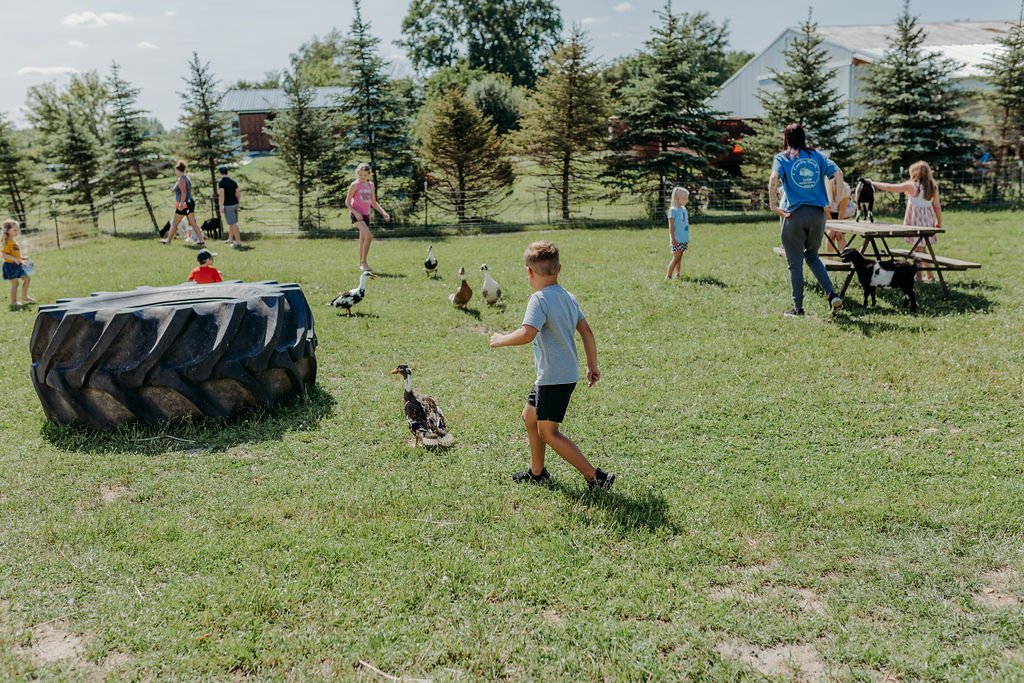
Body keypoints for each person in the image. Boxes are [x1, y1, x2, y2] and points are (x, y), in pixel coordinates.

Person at [489, 241, 615, 491]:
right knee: (530, 416)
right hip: (559, 374)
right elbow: (587, 332)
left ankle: (596, 477)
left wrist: (502, 339)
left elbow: (527, 334)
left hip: (554, 378)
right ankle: (537, 473)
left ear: (529, 272)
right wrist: (592, 365)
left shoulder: (539, 299)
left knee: (548, 432)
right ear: (559, 269)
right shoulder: (568, 297)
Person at [768, 123, 844, 317]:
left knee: (795, 263)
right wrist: (835, 202)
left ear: (786, 138)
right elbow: (838, 173)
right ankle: (832, 295)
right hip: (818, 216)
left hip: (794, 215)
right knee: (812, 256)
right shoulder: (816, 156)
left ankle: (798, 308)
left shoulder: (782, 158)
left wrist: (773, 206)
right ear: (803, 138)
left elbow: (773, 178)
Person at [872, 161, 943, 282]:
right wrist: (938, 222)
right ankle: (929, 275)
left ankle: (918, 276)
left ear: (914, 173)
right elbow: (937, 206)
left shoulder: (912, 186)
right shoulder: (932, 186)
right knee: (922, 248)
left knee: (918, 250)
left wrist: (872, 183)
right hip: (927, 220)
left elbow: (889, 187)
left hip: (916, 221)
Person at [346, 162, 390, 273]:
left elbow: (373, 203)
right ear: (357, 174)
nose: (362, 177)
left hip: (366, 215)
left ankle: (361, 264)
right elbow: (347, 202)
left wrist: (383, 212)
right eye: (360, 175)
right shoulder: (354, 185)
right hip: (356, 215)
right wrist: (355, 213)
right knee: (369, 236)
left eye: (365, 175)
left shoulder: (371, 185)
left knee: (363, 240)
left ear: (369, 175)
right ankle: (364, 263)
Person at [162, 160, 205, 246]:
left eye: (176, 170)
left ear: (178, 170)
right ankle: (201, 240)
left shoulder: (181, 179)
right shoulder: (186, 178)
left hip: (184, 204)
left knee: (175, 223)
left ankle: (168, 241)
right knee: (193, 223)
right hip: (189, 202)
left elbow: (184, 192)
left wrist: (181, 204)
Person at [2, 219, 34, 310]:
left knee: (27, 279)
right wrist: (15, 259)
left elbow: (14, 253)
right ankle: (14, 302)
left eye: (17, 229)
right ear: (8, 231)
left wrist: (21, 258)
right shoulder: (7, 242)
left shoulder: (13, 240)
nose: (17, 232)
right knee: (15, 284)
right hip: (10, 266)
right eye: (14, 230)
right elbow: (4, 255)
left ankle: (24, 297)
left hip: (17, 265)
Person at [666, 187, 690, 280]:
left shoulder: (684, 209)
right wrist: (673, 238)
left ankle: (677, 274)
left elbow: (686, 223)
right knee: (676, 257)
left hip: (683, 238)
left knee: (680, 257)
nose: (687, 200)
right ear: (678, 198)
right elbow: (671, 226)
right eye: (685, 198)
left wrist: (687, 238)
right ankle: (668, 276)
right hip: (676, 239)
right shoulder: (673, 210)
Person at [824, 176, 852, 253]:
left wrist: (838, 229)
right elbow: (825, 211)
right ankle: (829, 262)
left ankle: (845, 261)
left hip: (841, 214)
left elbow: (842, 211)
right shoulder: (824, 189)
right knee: (830, 236)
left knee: (840, 236)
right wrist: (832, 228)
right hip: (828, 214)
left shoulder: (846, 188)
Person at [217, 165, 242, 248]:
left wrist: (221, 206)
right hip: (235, 204)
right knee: (231, 222)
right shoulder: (233, 182)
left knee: (233, 223)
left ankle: (238, 241)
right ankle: (230, 239)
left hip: (228, 205)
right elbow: (238, 193)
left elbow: (222, 195)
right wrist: (238, 201)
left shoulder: (221, 183)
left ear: (220, 173)